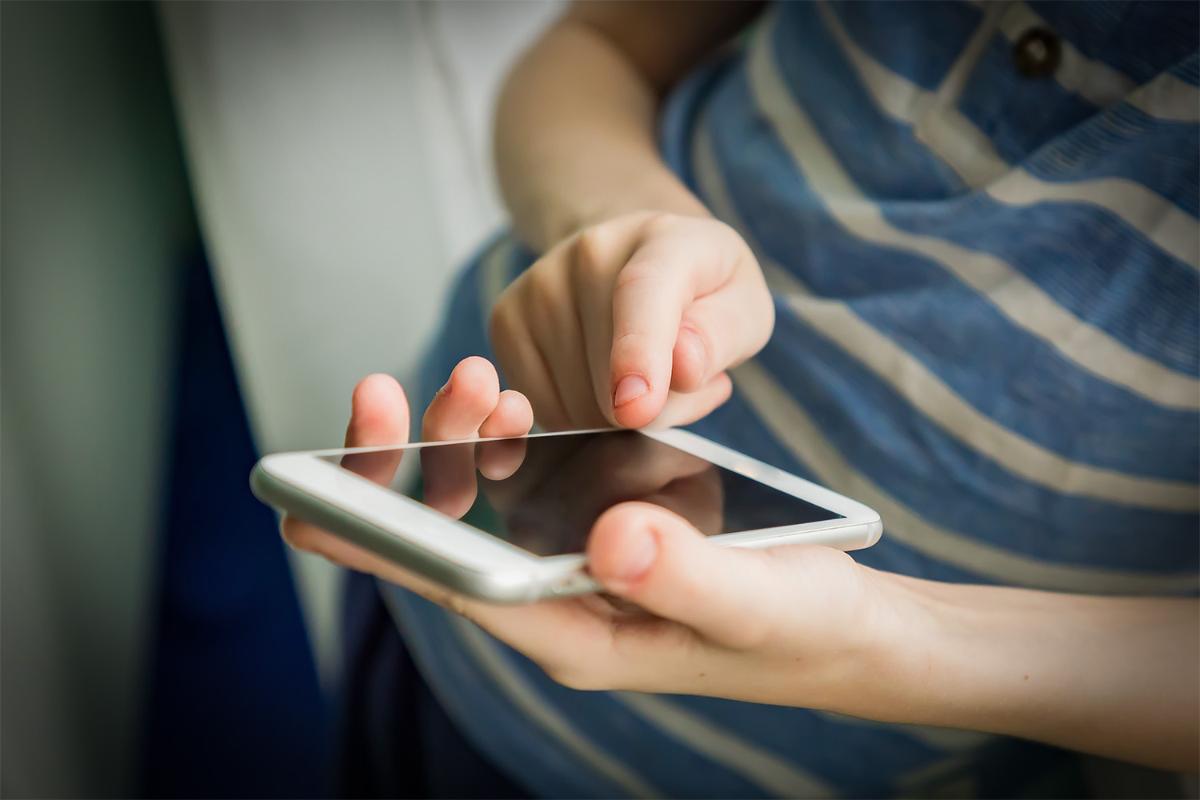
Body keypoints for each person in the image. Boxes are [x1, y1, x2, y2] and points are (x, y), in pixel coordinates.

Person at [285, 2, 1200, 795]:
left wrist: (889, 642)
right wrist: (610, 220)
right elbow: (598, 41)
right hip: (446, 582)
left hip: (820, 763)